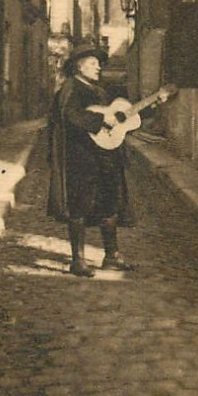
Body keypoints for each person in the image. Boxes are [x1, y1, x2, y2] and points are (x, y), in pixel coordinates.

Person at [47, 41, 135, 277]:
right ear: (79, 67)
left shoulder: (99, 91)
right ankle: (78, 260)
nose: (98, 68)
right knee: (80, 206)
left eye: (98, 64)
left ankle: (111, 255)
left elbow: (117, 118)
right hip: (81, 157)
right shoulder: (70, 89)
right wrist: (99, 121)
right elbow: (71, 116)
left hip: (105, 156)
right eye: (93, 64)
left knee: (110, 203)